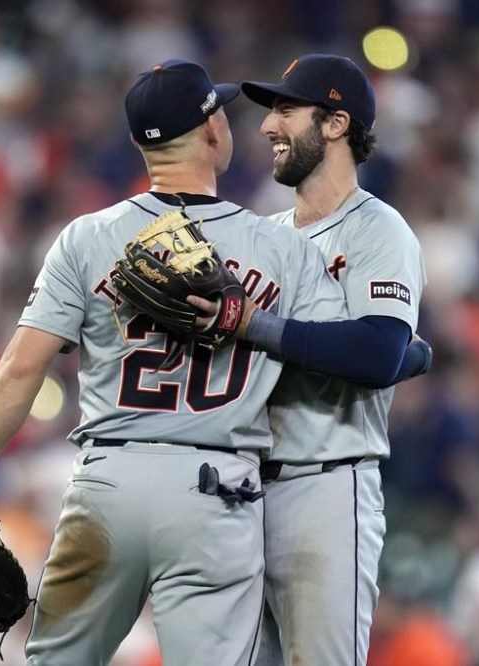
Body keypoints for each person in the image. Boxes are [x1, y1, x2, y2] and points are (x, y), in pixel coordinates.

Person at [0, 58, 351, 666]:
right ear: (212, 130)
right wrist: (408, 350)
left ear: (138, 142)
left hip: (108, 485)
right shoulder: (282, 247)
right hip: (218, 491)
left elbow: (19, 371)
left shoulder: (86, 237)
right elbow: (336, 361)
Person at [193, 53, 428, 665]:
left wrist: (253, 325)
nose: (269, 126)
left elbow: (376, 354)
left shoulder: (378, 230)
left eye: (287, 109)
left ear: (335, 124)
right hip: (240, 494)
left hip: (325, 486)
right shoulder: (262, 236)